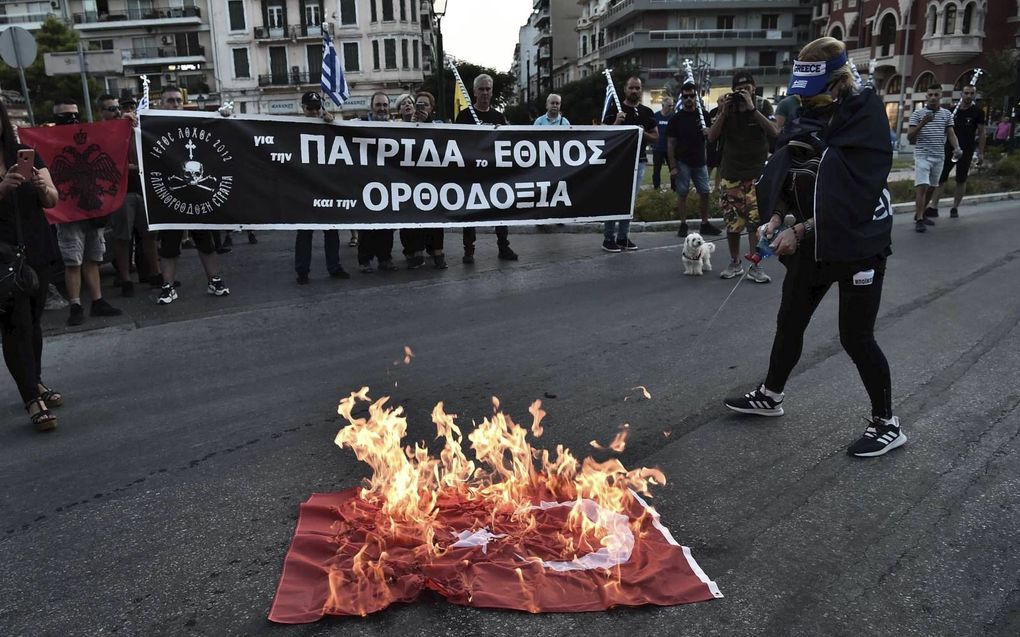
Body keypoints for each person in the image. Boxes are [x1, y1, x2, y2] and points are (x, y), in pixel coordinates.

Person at [725, 36, 903, 458]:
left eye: (815, 93)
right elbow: (791, 167)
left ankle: (887, 424)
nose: (806, 103)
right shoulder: (808, 112)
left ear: (839, 82)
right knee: (790, 319)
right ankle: (771, 394)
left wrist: (800, 231)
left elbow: (851, 198)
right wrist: (775, 216)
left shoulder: (867, 119)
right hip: (813, 242)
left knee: (855, 336)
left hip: (859, 242)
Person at [0, 100, 63, 430]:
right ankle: (31, 399)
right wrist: (2, 189)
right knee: (15, 326)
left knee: (34, 324)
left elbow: (53, 200)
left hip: (35, 248)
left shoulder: (27, 154)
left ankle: (34, 380)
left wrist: (42, 187)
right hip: (2, 256)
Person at [154, 87, 231, 304]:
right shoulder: (153, 126)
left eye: (178, 100)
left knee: (205, 242)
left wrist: (222, 118)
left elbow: (220, 136)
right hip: (168, 197)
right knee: (169, 246)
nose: (175, 104)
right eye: (170, 100)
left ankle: (215, 280)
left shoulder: (195, 121)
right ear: (161, 104)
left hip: (199, 198)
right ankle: (167, 286)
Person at [51, 99, 123, 325]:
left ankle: (97, 301)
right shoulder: (49, 142)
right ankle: (75, 305)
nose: (72, 120)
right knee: (73, 260)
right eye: (65, 116)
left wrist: (125, 123)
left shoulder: (91, 137)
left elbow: (112, 142)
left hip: (92, 209)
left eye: (75, 115)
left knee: (93, 258)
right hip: (68, 212)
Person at [707, 70, 777, 283]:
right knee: (733, 224)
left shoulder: (763, 105)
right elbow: (711, 136)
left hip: (756, 175)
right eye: (739, 90)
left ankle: (755, 265)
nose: (742, 93)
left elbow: (775, 132)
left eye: (746, 89)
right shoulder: (728, 108)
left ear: (754, 88)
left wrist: (752, 108)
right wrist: (723, 112)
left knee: (756, 225)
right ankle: (735, 262)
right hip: (732, 174)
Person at [98, 94, 159, 298]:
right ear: (101, 113)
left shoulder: (132, 129)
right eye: (112, 109)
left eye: (118, 108)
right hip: (121, 193)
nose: (117, 112)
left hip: (141, 189)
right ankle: (125, 279)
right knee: (122, 238)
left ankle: (155, 274)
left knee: (149, 235)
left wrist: (135, 129)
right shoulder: (103, 135)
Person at [455, 74, 518, 262]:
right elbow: (457, 143)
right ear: (474, 92)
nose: (484, 92)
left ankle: (503, 246)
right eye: (481, 89)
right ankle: (469, 250)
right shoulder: (465, 116)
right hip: (472, 173)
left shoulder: (498, 116)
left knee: (500, 209)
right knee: (470, 212)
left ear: (492, 91)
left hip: (493, 174)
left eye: (487, 89)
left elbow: (506, 144)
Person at [294, 92, 349, 284]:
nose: (315, 111)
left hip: (326, 187)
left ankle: (334, 267)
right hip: (305, 189)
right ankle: (302, 271)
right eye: (311, 108)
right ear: (303, 108)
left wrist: (333, 123)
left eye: (318, 107)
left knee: (331, 230)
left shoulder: (329, 125)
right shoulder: (294, 129)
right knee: (305, 232)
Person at [602, 75, 657, 253]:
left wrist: (644, 133)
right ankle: (608, 238)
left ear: (641, 90)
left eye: (637, 88)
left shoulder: (647, 112)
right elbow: (602, 134)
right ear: (625, 89)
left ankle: (623, 237)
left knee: (629, 202)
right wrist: (617, 122)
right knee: (613, 199)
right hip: (617, 162)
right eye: (631, 88)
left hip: (638, 162)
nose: (634, 91)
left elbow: (655, 137)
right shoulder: (614, 108)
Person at [666, 82, 722, 238]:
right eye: (686, 96)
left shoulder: (703, 115)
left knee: (705, 192)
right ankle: (683, 224)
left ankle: (705, 223)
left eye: (692, 96)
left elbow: (712, 137)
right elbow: (670, 143)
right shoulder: (676, 119)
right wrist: (672, 166)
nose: (689, 99)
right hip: (682, 162)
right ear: (682, 98)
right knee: (682, 193)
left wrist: (709, 131)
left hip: (700, 162)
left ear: (696, 97)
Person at [907, 84, 961, 233]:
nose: (933, 98)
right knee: (922, 186)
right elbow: (910, 136)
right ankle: (919, 219)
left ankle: (921, 213)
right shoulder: (918, 114)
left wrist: (957, 147)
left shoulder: (946, 114)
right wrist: (923, 123)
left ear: (940, 96)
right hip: (922, 155)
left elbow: (951, 133)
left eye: (936, 95)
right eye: (930, 95)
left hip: (939, 156)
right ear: (926, 96)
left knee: (931, 187)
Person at [927, 84, 986, 219]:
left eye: (972, 93)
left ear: (974, 95)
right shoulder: (953, 111)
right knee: (940, 178)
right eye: (966, 93)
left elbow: (982, 133)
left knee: (961, 179)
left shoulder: (978, 112)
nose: (969, 96)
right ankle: (933, 207)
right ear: (961, 94)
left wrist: (981, 152)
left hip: (966, 150)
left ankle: (955, 208)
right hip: (949, 149)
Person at [357, 92, 398, 273]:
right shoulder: (359, 125)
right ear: (371, 107)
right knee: (367, 226)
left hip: (388, 185)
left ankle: (385, 258)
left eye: (384, 105)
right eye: (378, 105)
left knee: (387, 225)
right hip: (367, 183)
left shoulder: (395, 128)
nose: (381, 108)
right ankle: (364, 261)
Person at [650, 95, 674, 191]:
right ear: (663, 105)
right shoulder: (656, 116)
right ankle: (656, 189)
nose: (671, 108)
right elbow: (651, 130)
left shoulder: (673, 117)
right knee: (656, 170)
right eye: (669, 106)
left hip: (670, 149)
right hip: (658, 148)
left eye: (672, 106)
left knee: (673, 169)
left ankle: (674, 189)